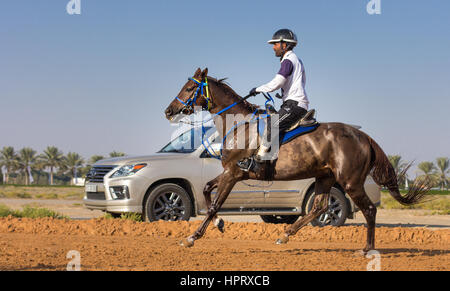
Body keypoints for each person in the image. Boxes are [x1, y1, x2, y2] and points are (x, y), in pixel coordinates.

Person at [238, 29, 310, 174]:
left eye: (275, 44)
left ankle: (260, 162)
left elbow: (278, 82)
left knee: (273, 123)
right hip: (293, 102)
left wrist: (258, 89)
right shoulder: (294, 60)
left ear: (285, 45)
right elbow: (299, 82)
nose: (273, 47)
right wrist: (283, 95)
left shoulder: (289, 60)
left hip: (294, 104)